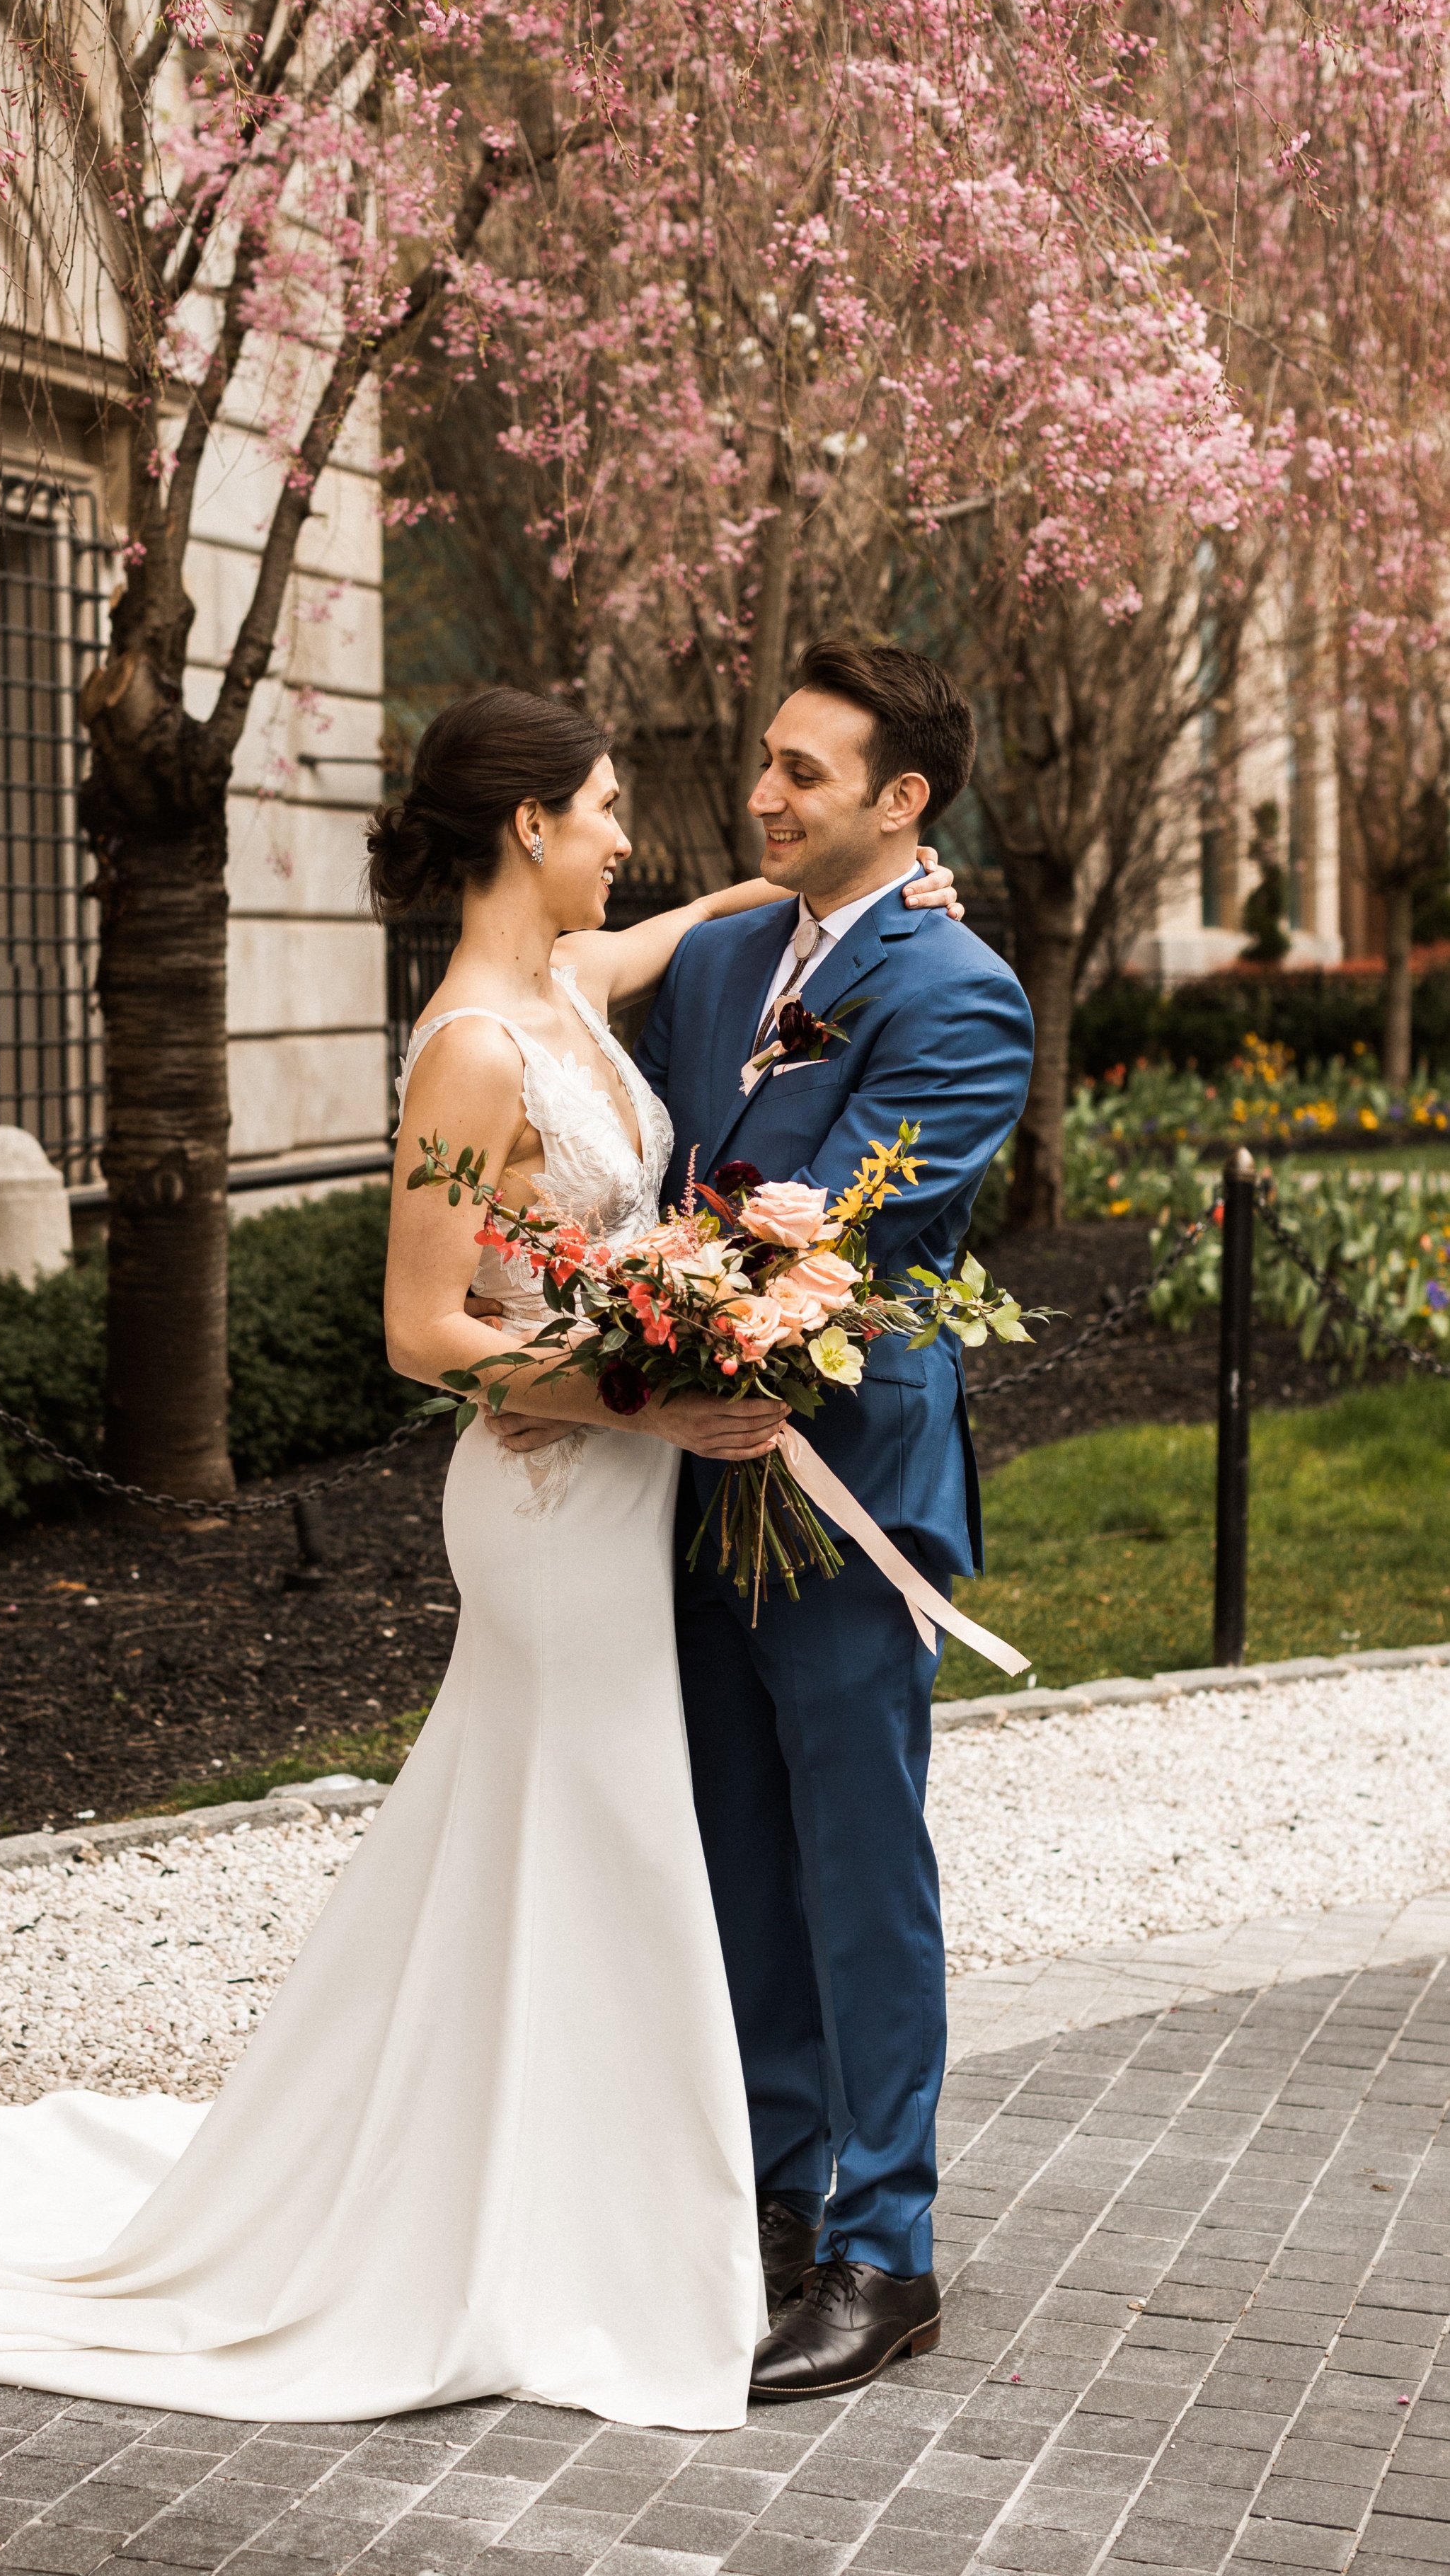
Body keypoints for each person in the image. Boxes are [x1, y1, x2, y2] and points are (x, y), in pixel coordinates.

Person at [0, 680, 969, 2430]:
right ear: (527, 826)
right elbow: (421, 1330)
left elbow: (714, 923)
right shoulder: (472, 1047)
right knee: (599, 1827)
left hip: (632, 1481)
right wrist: (637, 1397)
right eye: (599, 807)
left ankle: (626, 2185)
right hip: (556, 1496)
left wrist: (868, 891)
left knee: (601, 1835)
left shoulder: (572, 981)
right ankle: (559, 2209)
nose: (630, 834)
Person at [631, 636, 1035, 2398]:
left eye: (802, 772)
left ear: (902, 797)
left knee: (858, 1873)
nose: (762, 793)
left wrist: (648, 1296)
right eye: (766, 761)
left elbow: (841, 1237)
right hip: (682, 1476)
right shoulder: (718, 959)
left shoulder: (958, 991)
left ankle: (887, 2249)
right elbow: (646, 1156)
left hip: (845, 1487)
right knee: (735, 1854)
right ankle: (775, 2205)